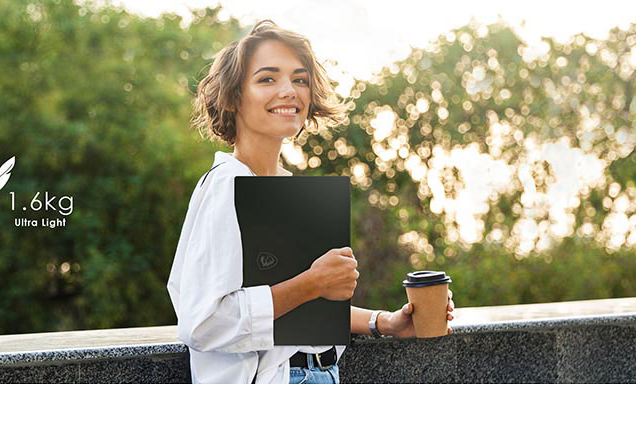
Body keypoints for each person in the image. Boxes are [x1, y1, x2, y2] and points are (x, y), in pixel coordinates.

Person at [167, 20, 454, 384]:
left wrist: (385, 322)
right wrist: (312, 283)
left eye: (299, 79)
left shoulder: (283, 187)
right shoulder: (227, 187)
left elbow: (299, 310)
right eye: (267, 79)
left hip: (321, 375)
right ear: (234, 97)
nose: (289, 90)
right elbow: (204, 322)